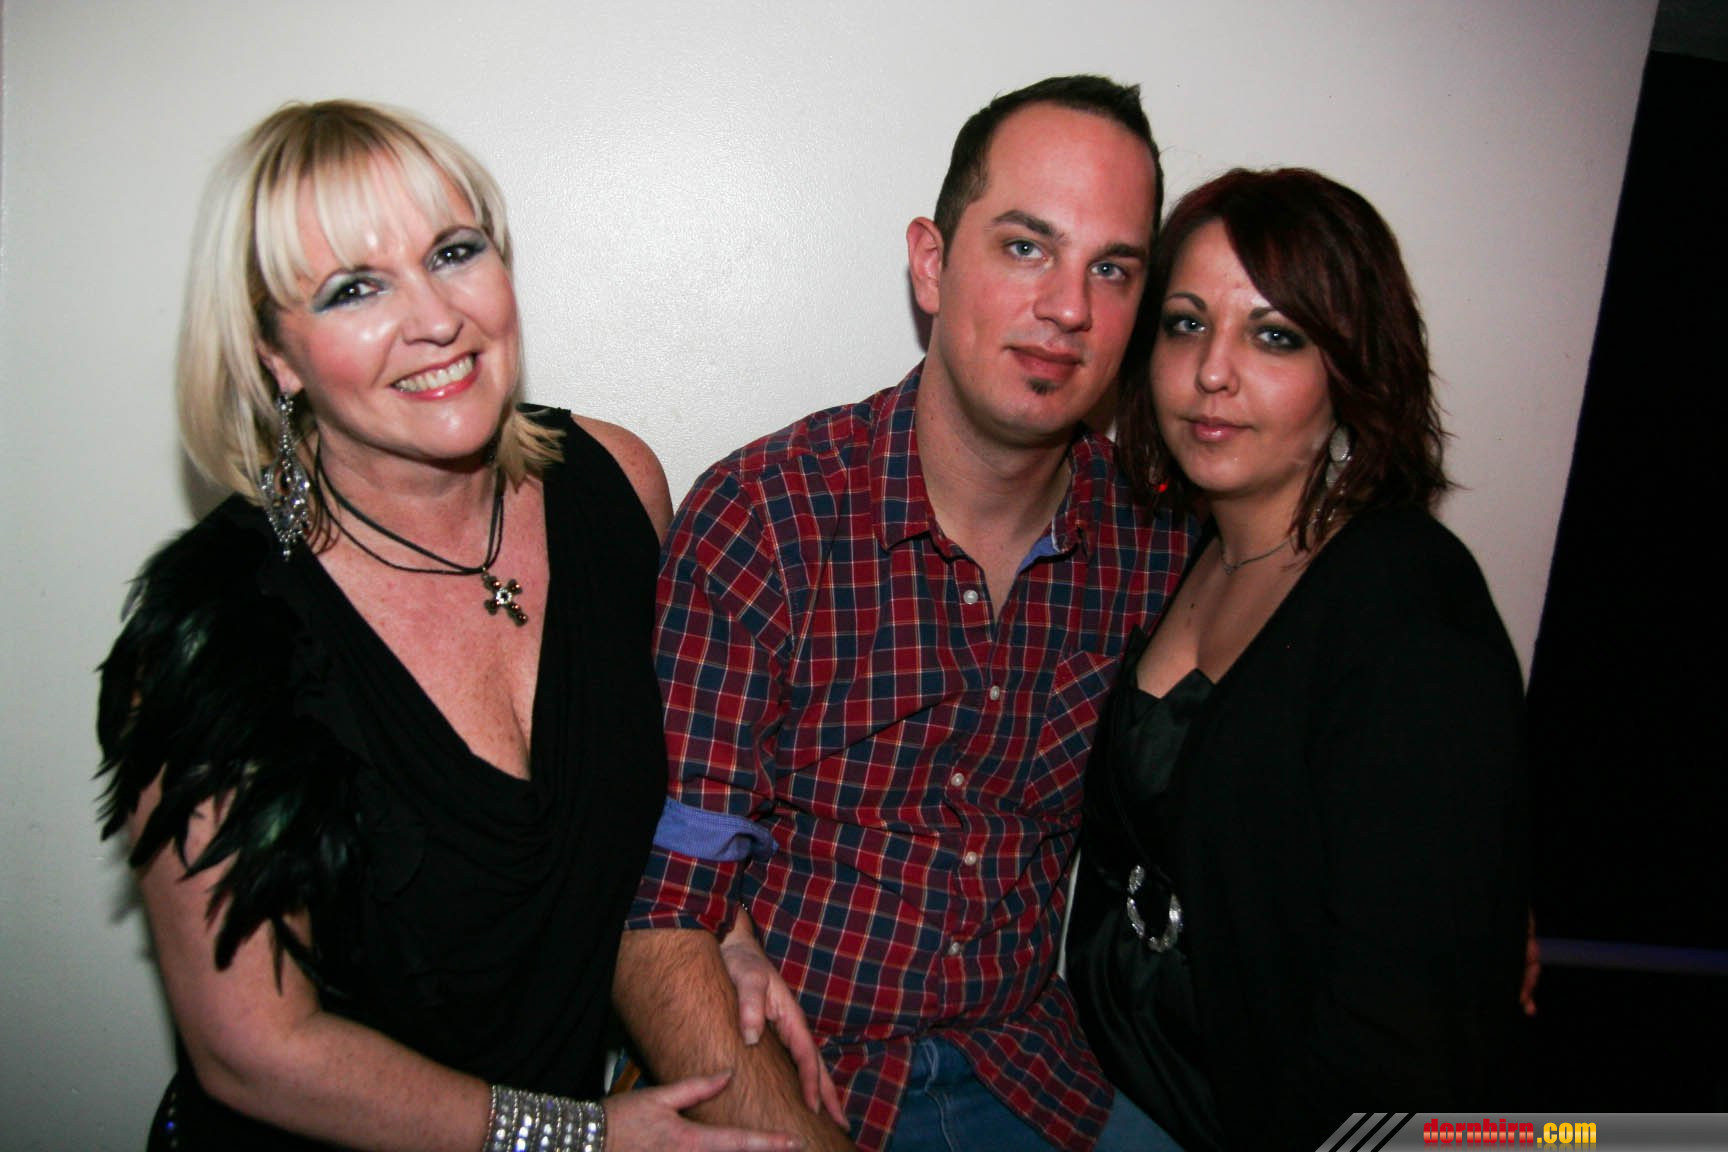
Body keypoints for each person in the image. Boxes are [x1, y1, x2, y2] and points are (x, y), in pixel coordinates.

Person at [96, 99, 800, 1152]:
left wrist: (724, 927)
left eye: (454, 252)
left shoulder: (618, 486)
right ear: (275, 355)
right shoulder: (215, 634)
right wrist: (576, 1138)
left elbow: (639, 791)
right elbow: (255, 1049)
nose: (435, 318)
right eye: (354, 288)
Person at [613, 76, 1191, 1152]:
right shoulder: (767, 518)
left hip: (1033, 1071)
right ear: (931, 262)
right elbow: (659, 924)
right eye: (1026, 246)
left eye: (1110, 268)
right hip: (783, 1065)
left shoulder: (1155, 547)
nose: (1069, 307)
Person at [1065, 168, 1531, 1151]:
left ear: (1352, 369)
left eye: (1275, 336)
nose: (1212, 372)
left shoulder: (1403, 602)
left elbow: (1408, 1034)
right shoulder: (1186, 553)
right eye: (1186, 324)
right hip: (1091, 1085)